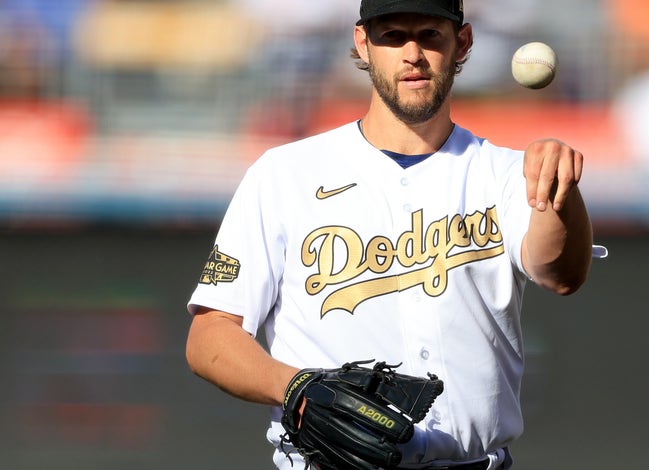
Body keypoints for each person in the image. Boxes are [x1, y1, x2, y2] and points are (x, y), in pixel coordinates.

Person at [185, 1, 594, 468]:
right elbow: (209, 336)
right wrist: (294, 387)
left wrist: (559, 194)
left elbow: (561, 274)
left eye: (430, 35)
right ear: (363, 42)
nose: (413, 52)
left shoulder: (504, 174)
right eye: (393, 35)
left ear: (462, 43)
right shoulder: (285, 174)